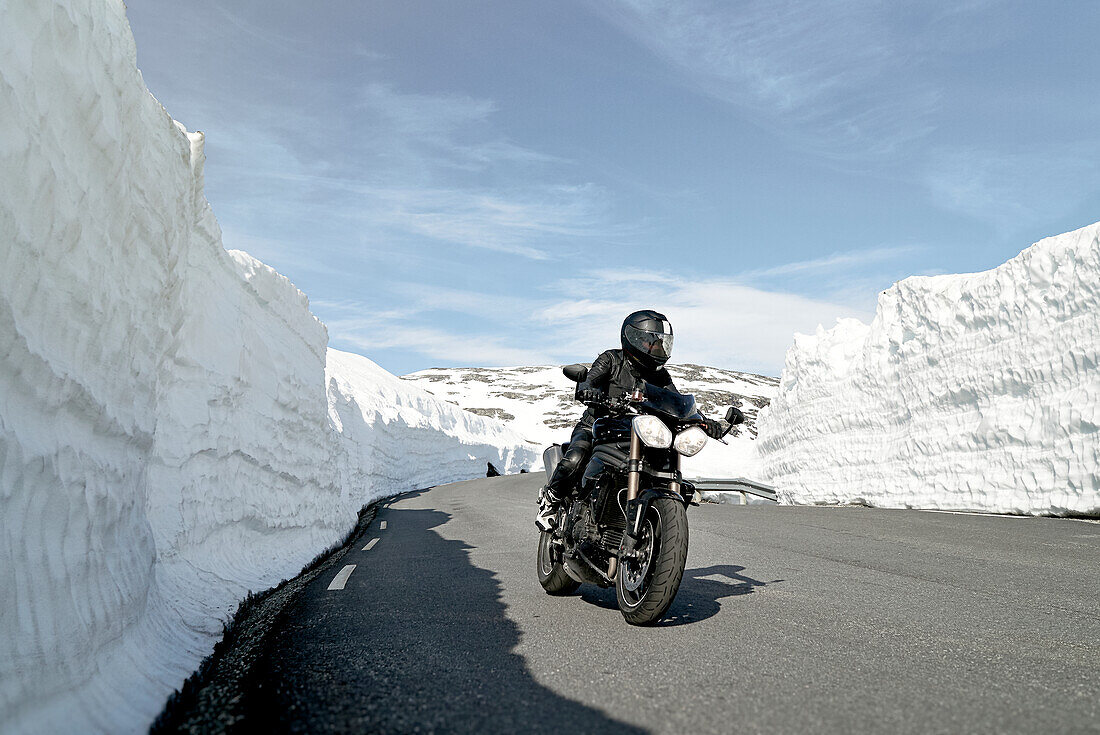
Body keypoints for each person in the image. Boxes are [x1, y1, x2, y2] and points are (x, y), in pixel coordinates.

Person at [536, 310, 726, 531]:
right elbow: (590, 380)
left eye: (661, 343)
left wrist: (703, 421)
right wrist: (589, 391)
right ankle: (550, 500)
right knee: (575, 458)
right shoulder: (612, 359)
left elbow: (677, 403)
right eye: (651, 342)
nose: (657, 348)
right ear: (635, 339)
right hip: (598, 425)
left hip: (636, 433)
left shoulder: (661, 376)